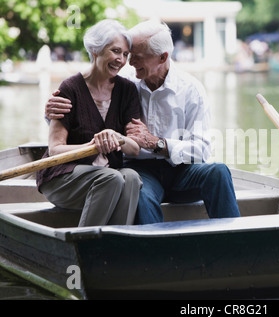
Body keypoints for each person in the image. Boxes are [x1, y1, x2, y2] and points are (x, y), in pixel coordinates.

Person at [45, 20, 240, 224]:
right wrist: (51, 112)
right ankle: (151, 251)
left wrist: (158, 144)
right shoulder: (126, 80)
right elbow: (88, 105)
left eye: (135, 56)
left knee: (218, 172)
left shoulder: (191, 90)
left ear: (162, 57)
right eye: (127, 55)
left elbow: (202, 151)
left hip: (182, 171)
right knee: (139, 190)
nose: (128, 62)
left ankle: (235, 241)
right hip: (141, 170)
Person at [37, 20, 142, 227]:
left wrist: (118, 138)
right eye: (115, 51)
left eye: (125, 54)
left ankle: (117, 244)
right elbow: (55, 150)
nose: (121, 60)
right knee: (111, 178)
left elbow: (135, 148)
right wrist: (94, 146)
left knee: (130, 177)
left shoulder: (127, 90)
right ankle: (85, 246)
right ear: (95, 50)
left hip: (106, 176)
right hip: (63, 177)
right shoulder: (70, 88)